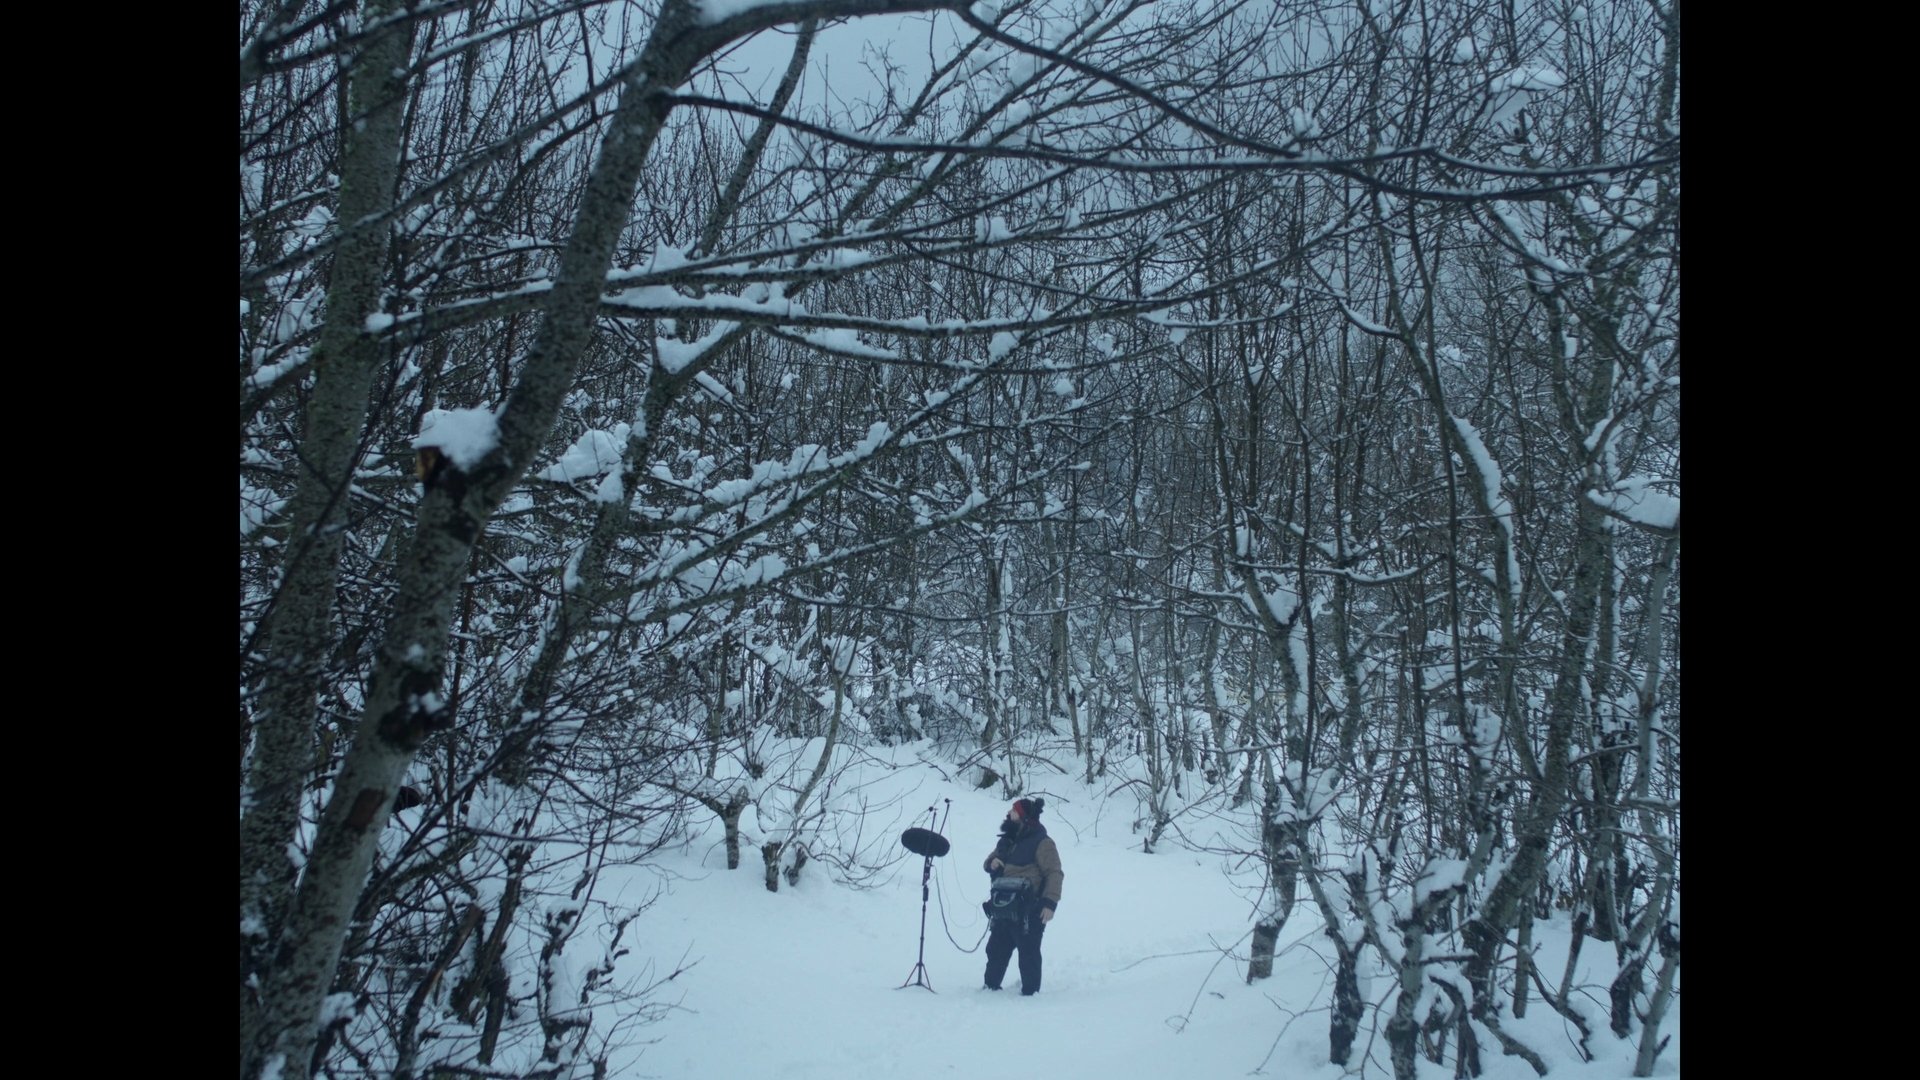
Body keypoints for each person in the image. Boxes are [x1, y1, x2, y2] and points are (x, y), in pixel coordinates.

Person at [982, 797, 1064, 995]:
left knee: (1028, 955)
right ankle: (990, 989)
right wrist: (992, 863)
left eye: (1014, 811)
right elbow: (987, 863)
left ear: (1025, 817)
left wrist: (1049, 903)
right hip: (1002, 908)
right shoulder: (1006, 840)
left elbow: (1055, 872)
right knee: (995, 951)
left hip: (1029, 910)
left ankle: (1030, 996)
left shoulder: (1043, 842)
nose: (1009, 813)